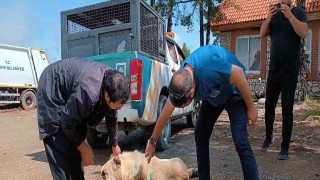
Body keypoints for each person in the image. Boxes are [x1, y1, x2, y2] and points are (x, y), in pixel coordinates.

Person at [145, 45, 259, 180]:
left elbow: (239, 74)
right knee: (200, 135)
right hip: (213, 96)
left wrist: (251, 107)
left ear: (192, 91)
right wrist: (152, 141)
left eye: (184, 105)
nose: (182, 108)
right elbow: (166, 112)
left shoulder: (209, 68)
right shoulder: (180, 81)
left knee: (241, 142)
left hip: (234, 92)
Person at [37, 57, 130, 180]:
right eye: (119, 105)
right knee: (60, 145)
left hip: (74, 92)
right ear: (107, 95)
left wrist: (114, 144)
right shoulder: (89, 92)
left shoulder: (112, 82)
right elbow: (66, 122)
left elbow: (111, 115)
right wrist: (83, 148)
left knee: (78, 139)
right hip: (52, 87)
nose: (120, 108)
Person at [260, 0, 308, 160]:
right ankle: (268, 137)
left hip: (290, 71)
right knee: (269, 107)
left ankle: (284, 146)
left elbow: (303, 33)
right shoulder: (274, 15)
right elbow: (262, 33)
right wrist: (268, 18)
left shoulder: (299, 13)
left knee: (287, 110)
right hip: (273, 70)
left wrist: (289, 15)